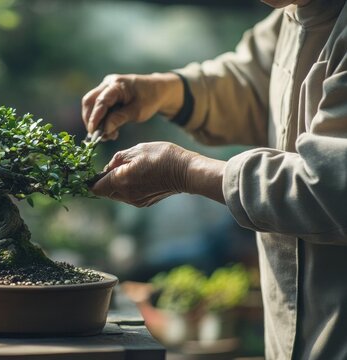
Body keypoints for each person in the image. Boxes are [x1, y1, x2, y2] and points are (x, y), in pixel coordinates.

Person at [81, 0, 347, 358]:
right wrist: (160, 90)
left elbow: (332, 186)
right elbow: (252, 83)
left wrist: (183, 171)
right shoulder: (292, 15)